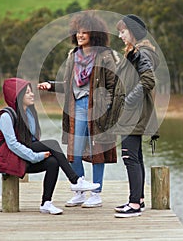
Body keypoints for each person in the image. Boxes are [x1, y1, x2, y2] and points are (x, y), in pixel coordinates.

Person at [38, 11, 117, 208]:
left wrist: (106, 107)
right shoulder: (73, 56)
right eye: (78, 32)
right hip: (77, 108)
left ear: (94, 34)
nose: (80, 36)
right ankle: (80, 190)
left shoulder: (105, 56)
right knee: (75, 151)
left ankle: (96, 194)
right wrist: (51, 85)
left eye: (85, 32)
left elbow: (113, 86)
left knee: (98, 150)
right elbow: (68, 84)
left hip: (98, 110)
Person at [0, 77, 100, 215]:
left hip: (25, 157)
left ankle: (46, 203)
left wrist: (39, 155)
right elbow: (13, 145)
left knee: (53, 163)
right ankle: (75, 180)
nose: (32, 94)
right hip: (12, 160)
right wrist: (36, 156)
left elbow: (33, 140)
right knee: (53, 144)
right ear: (17, 96)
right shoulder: (6, 117)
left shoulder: (29, 113)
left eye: (31, 91)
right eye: (27, 92)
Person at [112, 14, 160, 218]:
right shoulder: (136, 53)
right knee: (136, 157)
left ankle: (133, 205)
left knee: (129, 157)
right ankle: (137, 199)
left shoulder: (141, 53)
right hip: (133, 114)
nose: (120, 36)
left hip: (133, 114)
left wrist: (128, 101)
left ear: (133, 32)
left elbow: (148, 80)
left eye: (123, 31)